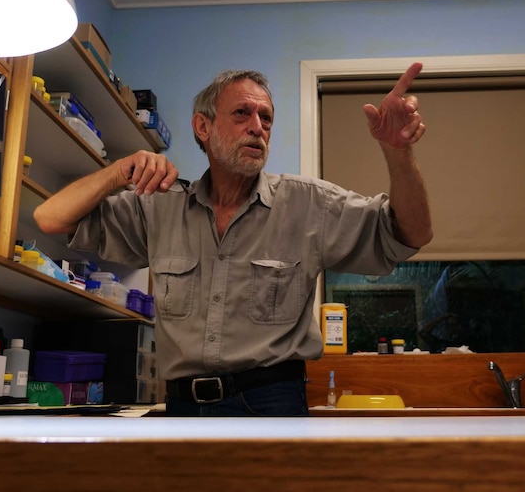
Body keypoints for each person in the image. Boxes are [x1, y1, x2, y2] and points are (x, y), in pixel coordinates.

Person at [33, 62, 433, 416]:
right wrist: (119, 170)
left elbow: (410, 235)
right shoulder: (157, 208)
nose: (257, 127)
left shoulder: (310, 204)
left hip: (271, 403)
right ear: (202, 127)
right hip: (181, 407)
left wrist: (398, 152)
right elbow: (49, 218)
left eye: (266, 118)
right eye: (242, 113)